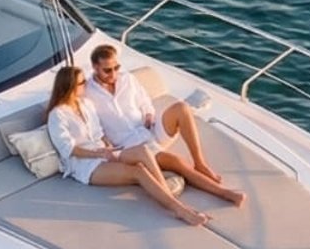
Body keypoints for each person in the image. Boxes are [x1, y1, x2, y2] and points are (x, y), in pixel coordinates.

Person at [45, 65, 213, 226]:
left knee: (143, 151)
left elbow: (98, 133)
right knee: (139, 172)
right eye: (82, 83)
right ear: (70, 87)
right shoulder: (57, 115)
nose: (86, 84)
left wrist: (109, 148)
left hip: (104, 152)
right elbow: (68, 149)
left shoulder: (86, 104)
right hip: (85, 165)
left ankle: (169, 197)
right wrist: (100, 154)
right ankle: (179, 209)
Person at [89, 44, 242, 205]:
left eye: (116, 67)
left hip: (147, 129)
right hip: (131, 145)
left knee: (181, 108)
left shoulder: (127, 79)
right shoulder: (87, 92)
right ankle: (226, 194)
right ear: (95, 67)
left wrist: (149, 113)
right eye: (107, 70)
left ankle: (200, 163)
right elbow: (90, 123)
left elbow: (144, 100)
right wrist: (105, 144)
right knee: (177, 162)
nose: (113, 73)